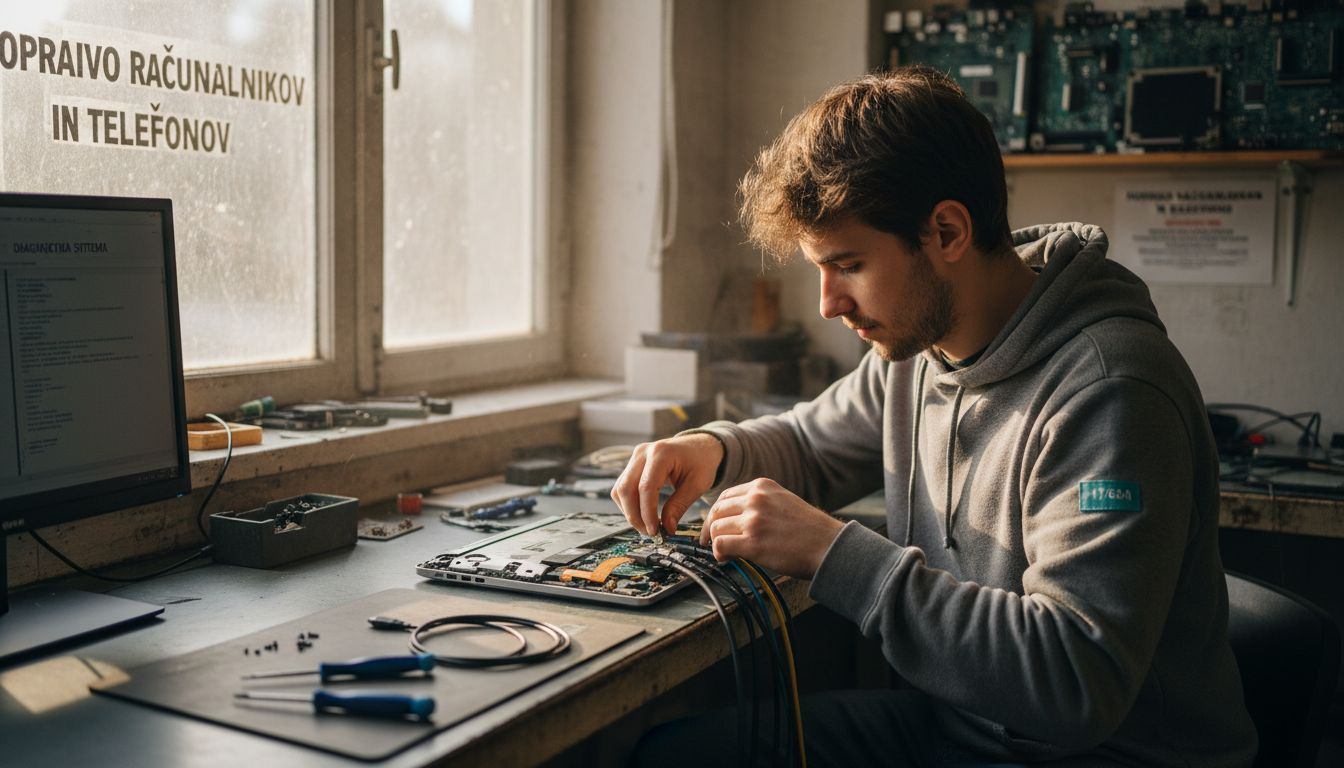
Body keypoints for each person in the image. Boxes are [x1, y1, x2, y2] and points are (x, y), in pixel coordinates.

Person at [612, 66, 1256, 767]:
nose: (828, 303)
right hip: (957, 730)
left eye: (849, 264)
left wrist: (835, 555)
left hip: (1104, 757)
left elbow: (1075, 684)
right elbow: (811, 442)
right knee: (674, 757)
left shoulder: (1111, 391)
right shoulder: (917, 352)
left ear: (947, 231)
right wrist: (713, 449)